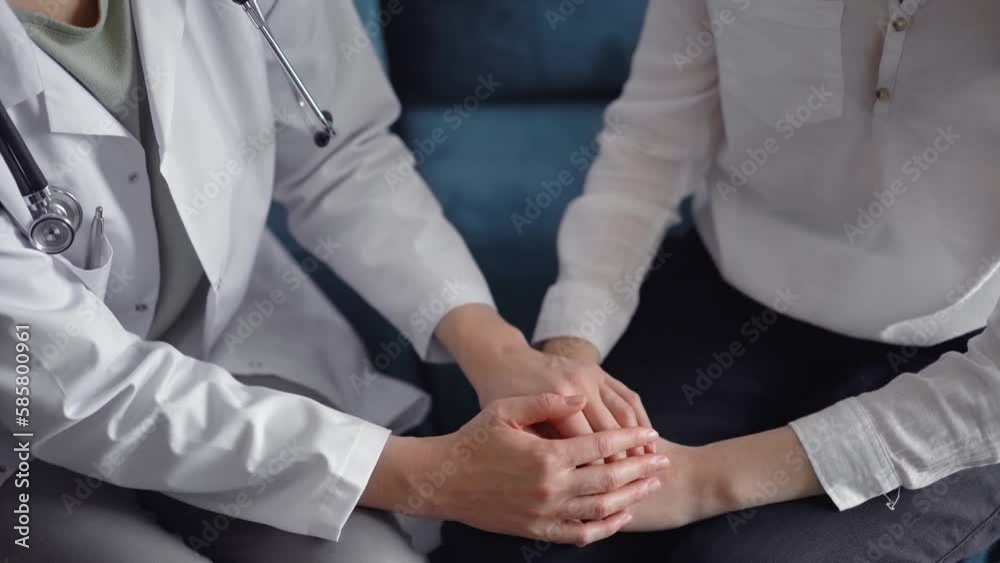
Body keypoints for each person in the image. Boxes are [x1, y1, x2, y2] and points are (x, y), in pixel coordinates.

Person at [0, 1, 669, 561]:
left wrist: (493, 347)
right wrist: (433, 477)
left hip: (232, 356)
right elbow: (86, 387)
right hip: (28, 444)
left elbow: (338, 155)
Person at [438, 0, 1000, 561]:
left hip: (956, 362)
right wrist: (568, 364)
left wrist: (697, 482)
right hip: (720, 300)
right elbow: (649, 148)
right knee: (512, 531)